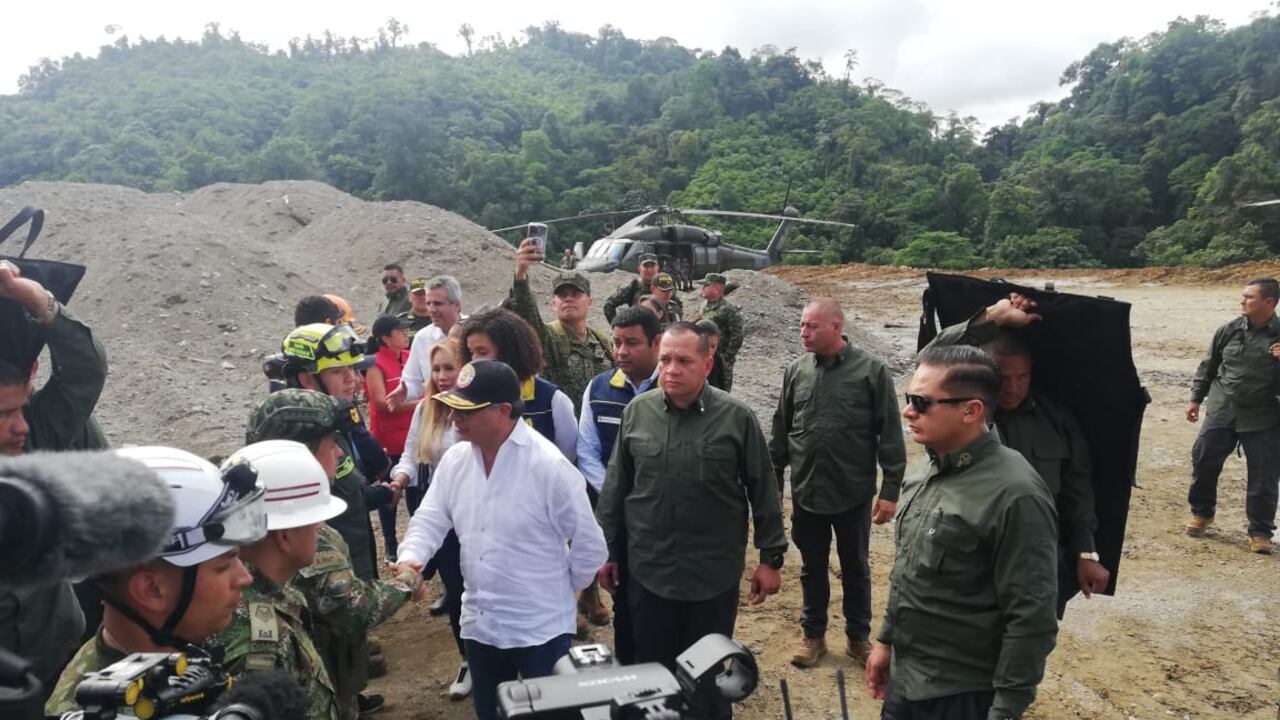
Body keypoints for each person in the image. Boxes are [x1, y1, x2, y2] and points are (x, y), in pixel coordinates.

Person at [394, 359, 607, 720]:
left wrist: (555, 588)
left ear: (503, 412)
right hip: (481, 624)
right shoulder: (456, 461)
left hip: (539, 628)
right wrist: (412, 555)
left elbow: (589, 545)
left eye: (467, 412)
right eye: (453, 408)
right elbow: (430, 518)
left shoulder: (548, 467)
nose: (454, 419)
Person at [596, 322, 787, 720]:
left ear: (707, 363)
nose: (671, 369)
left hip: (711, 576)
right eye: (665, 359)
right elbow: (616, 487)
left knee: (708, 677)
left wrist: (771, 557)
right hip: (649, 571)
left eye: (684, 360)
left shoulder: (737, 418)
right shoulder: (638, 412)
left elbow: (763, 488)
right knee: (652, 672)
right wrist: (608, 550)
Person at [865, 345, 1058, 720]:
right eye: (908, 399)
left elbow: (1031, 616)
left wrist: (1006, 709)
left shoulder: (1015, 494)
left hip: (962, 695)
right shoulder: (927, 469)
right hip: (908, 681)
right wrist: (887, 641)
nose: (907, 411)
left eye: (922, 402)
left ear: (971, 411)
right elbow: (908, 573)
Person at [926, 292, 1108, 615]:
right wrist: (992, 318)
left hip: (1037, 558)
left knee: (1028, 646)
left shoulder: (1058, 420)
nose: (1012, 388)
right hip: (972, 557)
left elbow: (1077, 489)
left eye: (1022, 377)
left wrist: (1086, 552)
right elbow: (931, 359)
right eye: (1003, 379)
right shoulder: (963, 418)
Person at [45, 447, 264, 715]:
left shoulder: (163, 663)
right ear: (151, 590)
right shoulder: (103, 708)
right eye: (224, 566)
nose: (245, 577)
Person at [243, 404, 427, 720]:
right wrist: (407, 581)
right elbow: (353, 605)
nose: (340, 454)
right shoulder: (261, 639)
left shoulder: (266, 506)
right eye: (331, 444)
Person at [770, 299, 906, 669]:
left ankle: (858, 638)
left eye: (812, 326)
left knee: (856, 567)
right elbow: (781, 431)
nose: (803, 332)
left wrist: (890, 491)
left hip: (853, 492)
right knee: (812, 567)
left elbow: (891, 435)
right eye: (801, 325)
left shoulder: (871, 371)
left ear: (836, 326)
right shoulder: (796, 371)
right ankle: (813, 635)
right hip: (807, 490)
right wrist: (771, 480)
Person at [0, 259, 108, 696]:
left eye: (22, 409)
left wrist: (29, 295)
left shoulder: (30, 446)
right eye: (5, 414)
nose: (21, 425)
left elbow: (84, 373)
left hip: (62, 673)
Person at [206, 440, 350, 720]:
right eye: (314, 522)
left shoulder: (276, 596)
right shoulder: (261, 642)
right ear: (284, 538)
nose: (320, 529)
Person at [279, 323, 397, 579]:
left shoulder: (333, 426)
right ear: (308, 379)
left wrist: (377, 494)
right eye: (337, 371)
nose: (353, 380)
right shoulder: (300, 444)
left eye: (353, 369)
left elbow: (347, 495)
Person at [577, 306, 661, 663]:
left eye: (632, 343)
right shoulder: (598, 389)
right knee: (623, 594)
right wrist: (619, 494)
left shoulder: (674, 386)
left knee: (662, 599)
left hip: (661, 517)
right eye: (616, 343)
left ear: (656, 343)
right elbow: (587, 452)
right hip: (617, 517)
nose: (621, 351)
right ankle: (630, 668)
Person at [390, 339, 472, 700]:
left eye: (448, 367)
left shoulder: (474, 411)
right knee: (456, 591)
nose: (441, 376)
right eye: (436, 369)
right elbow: (410, 453)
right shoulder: (425, 409)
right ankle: (468, 659)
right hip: (441, 515)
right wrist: (400, 476)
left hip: (474, 512)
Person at [1186, 278, 1280, 554]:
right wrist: (1195, 398)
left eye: (1249, 297)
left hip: (1264, 416)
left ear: (1269, 303)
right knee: (1203, 459)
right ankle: (1202, 513)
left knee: (1264, 475)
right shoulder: (1228, 330)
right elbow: (1209, 365)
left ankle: (1260, 532)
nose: (1242, 301)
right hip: (1222, 409)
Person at [507, 237, 613, 415]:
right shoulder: (547, 337)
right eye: (562, 295)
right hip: (562, 432)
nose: (568, 298)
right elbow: (527, 313)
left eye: (575, 293)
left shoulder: (602, 342)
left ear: (589, 302)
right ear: (553, 304)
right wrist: (521, 274)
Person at [458, 308, 578, 460]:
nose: (473, 361)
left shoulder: (553, 400)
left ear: (510, 352)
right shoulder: (466, 398)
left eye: (482, 352)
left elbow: (568, 455)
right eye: (470, 353)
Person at [365, 314, 418, 559]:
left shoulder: (409, 358)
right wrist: (421, 404)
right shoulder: (375, 363)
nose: (406, 334)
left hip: (411, 437)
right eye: (400, 331)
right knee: (389, 493)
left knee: (416, 491)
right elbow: (381, 403)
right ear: (385, 338)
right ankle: (389, 542)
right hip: (387, 441)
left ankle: (417, 539)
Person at [396, 275, 466, 404]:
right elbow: (412, 380)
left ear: (456, 305)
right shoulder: (422, 337)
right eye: (429, 303)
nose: (431, 310)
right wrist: (404, 391)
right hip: (436, 414)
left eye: (437, 303)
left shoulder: (477, 330)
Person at [691, 273, 743, 392]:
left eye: (706, 285)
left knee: (721, 391)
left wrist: (727, 358)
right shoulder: (703, 306)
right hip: (703, 357)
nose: (702, 289)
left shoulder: (728, 309)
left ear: (717, 288)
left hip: (720, 359)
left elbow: (737, 335)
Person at [603, 253, 661, 322]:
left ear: (658, 268)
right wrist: (619, 326)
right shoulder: (634, 286)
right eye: (646, 267)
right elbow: (609, 305)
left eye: (652, 266)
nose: (649, 270)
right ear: (639, 269)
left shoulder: (665, 287)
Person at [695, 319, 725, 390]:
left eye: (713, 346)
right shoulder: (686, 362)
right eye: (705, 345)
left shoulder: (717, 360)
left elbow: (721, 386)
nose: (709, 351)